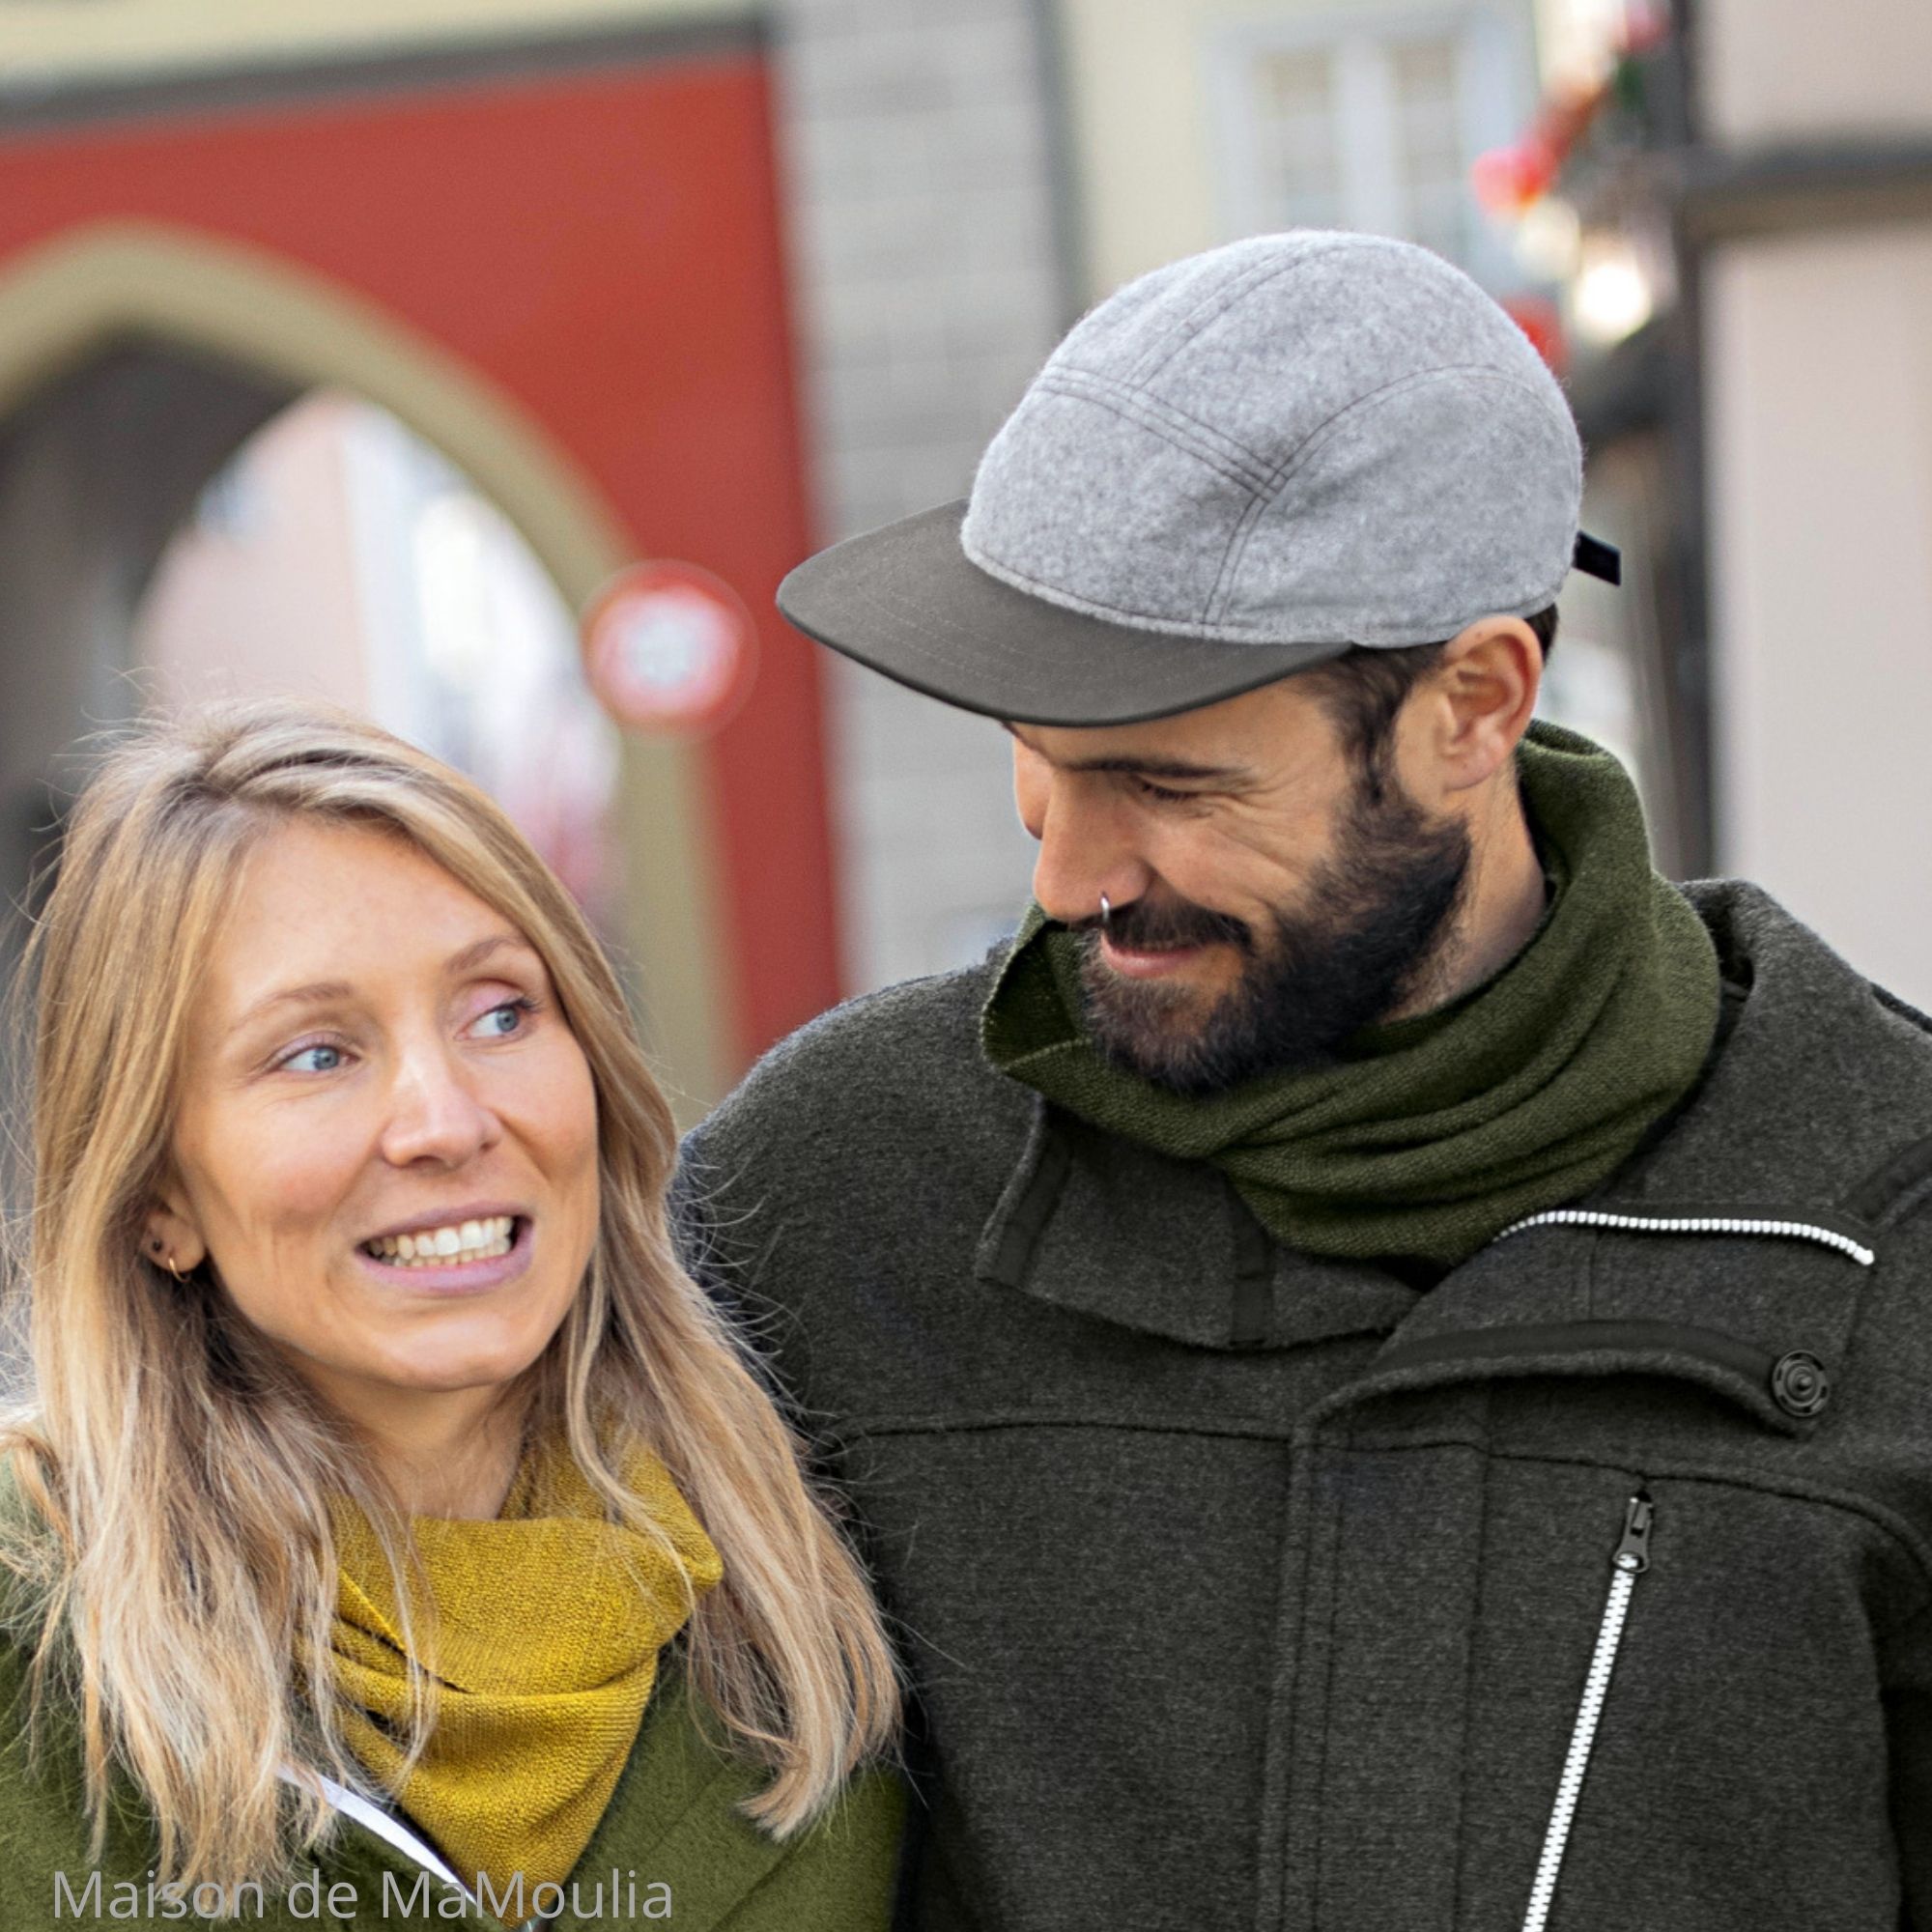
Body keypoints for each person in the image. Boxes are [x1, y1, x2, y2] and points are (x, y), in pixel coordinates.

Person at [674, 230, 1932, 1931]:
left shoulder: (1887, 1212)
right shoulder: (827, 1205)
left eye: (1169, 783)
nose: (1071, 878)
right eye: (1038, 772)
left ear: (1471, 705)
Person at [0, 698, 905, 1932]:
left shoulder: (816, 1548)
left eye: (499, 1012)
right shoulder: (29, 1630)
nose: (445, 1120)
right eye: (316, 1053)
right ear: (158, 1193)